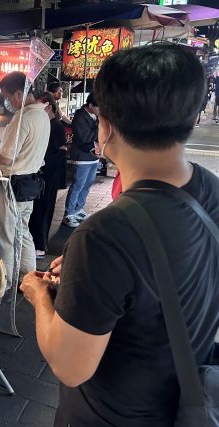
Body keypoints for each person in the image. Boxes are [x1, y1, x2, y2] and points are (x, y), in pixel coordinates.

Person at [20, 43, 219, 426]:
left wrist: (40, 296)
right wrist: (91, 280)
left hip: (111, 417)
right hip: (182, 402)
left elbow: (69, 366)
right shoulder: (210, 190)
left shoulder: (105, 234)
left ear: (105, 125)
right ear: (194, 118)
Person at [0, 71, 50, 290]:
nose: (6, 102)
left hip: (11, 186)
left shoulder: (22, 117)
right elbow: (20, 148)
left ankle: (1, 284)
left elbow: (6, 158)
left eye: (6, 96)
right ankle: (29, 279)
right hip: (28, 185)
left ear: (18, 93)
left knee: (5, 237)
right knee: (23, 232)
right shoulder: (42, 115)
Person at [29, 92, 67, 258]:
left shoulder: (55, 126)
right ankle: (37, 243)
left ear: (48, 106)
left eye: (40, 106)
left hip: (49, 175)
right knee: (38, 210)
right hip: (43, 174)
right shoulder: (46, 124)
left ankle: (40, 246)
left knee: (43, 210)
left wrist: (41, 162)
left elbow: (61, 152)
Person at [63, 93, 99, 228]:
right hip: (81, 157)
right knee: (78, 185)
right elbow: (85, 138)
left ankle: (79, 209)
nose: (101, 111)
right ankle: (69, 213)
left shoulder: (95, 116)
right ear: (90, 106)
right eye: (99, 108)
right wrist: (98, 126)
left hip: (93, 157)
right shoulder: (80, 117)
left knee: (87, 185)